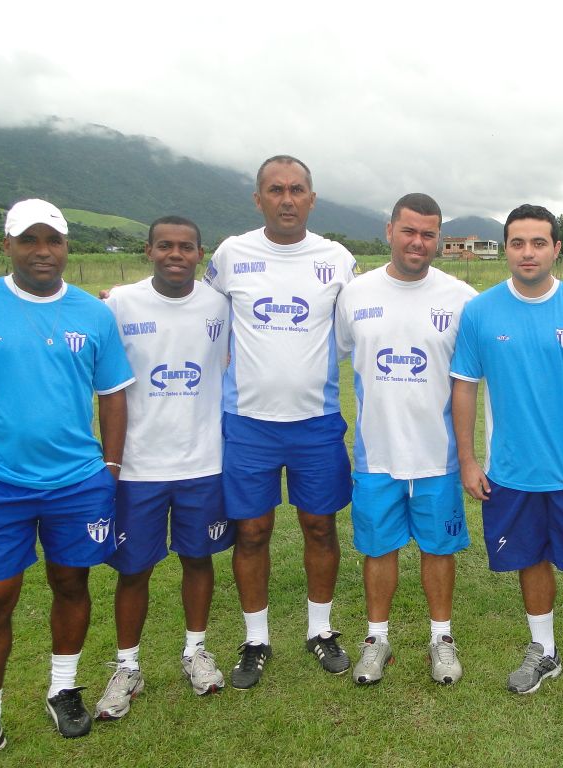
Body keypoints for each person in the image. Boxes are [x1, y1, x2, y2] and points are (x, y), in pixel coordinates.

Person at [0, 199, 133, 765]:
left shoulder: (94, 314)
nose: (42, 251)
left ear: (65, 247)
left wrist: (110, 468)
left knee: (71, 584)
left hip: (78, 481)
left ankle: (64, 688)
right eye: (28, 240)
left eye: (52, 241)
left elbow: (112, 396)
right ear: (6, 244)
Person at [451, 204, 563, 711]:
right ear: (506, 248)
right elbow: (464, 387)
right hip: (511, 472)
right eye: (518, 243)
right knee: (532, 559)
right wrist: (467, 459)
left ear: (556, 248)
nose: (528, 252)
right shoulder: (480, 311)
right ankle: (544, 650)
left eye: (538, 243)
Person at [203, 156, 357, 687]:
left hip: (315, 421)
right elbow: (198, 310)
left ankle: (321, 629)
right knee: (251, 531)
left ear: (312, 199)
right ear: (258, 199)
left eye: (296, 190)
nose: (286, 199)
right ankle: (255, 638)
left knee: (319, 525)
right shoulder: (231, 254)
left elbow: (355, 325)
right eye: (275, 190)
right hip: (247, 423)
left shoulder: (337, 258)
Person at [93, 217, 234, 721]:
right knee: (134, 569)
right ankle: (127, 666)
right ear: (149, 250)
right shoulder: (118, 304)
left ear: (201, 254)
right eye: (165, 246)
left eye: (187, 247)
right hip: (136, 466)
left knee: (199, 559)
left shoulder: (221, 305)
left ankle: (195, 650)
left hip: (203, 462)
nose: (176, 254)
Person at [335, 193, 476, 686]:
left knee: (439, 549)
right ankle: (377, 638)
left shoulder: (461, 298)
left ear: (439, 238)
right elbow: (340, 358)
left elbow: (473, 379)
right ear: (389, 230)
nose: (419, 242)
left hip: (437, 454)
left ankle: (441, 638)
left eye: (429, 233)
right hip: (377, 453)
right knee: (379, 549)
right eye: (409, 231)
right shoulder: (355, 294)